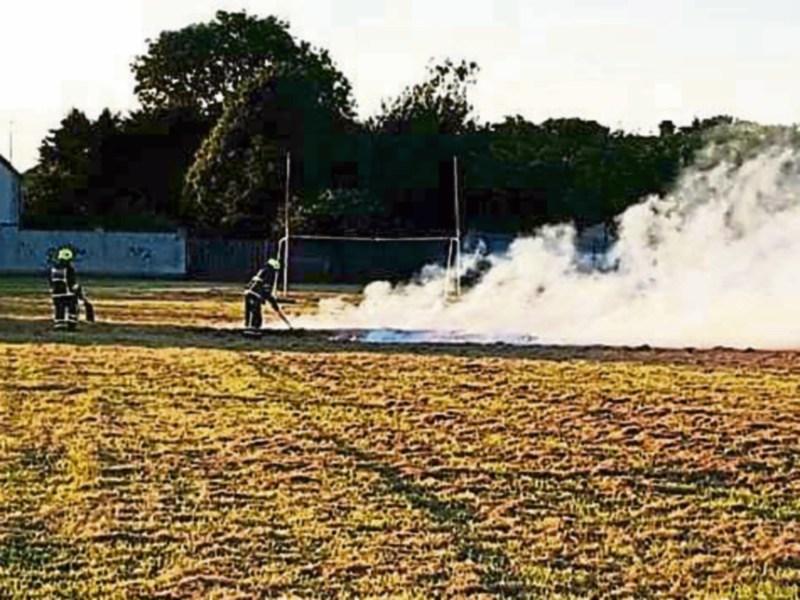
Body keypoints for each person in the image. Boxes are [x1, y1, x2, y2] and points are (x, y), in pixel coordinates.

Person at [243, 258, 292, 337]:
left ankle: (249, 329)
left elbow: (264, 291)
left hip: (248, 294)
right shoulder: (268, 275)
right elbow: (267, 293)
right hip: (255, 295)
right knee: (256, 315)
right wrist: (274, 305)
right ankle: (253, 331)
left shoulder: (262, 272)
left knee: (250, 313)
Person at [49, 247, 80, 331]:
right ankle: (71, 326)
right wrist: (77, 292)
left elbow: (51, 281)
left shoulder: (53, 269)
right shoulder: (69, 269)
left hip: (56, 294)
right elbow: (72, 283)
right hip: (68, 294)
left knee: (59, 310)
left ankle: (59, 326)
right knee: (72, 309)